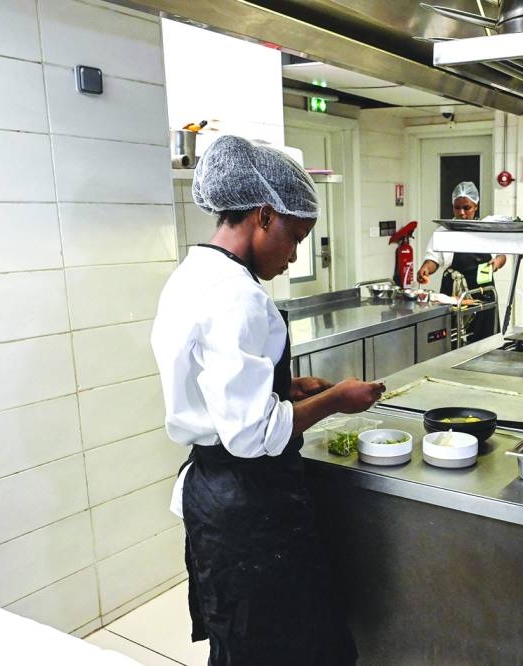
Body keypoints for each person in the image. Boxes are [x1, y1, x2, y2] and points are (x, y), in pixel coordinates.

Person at [150, 136, 384, 666]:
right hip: (250, 504)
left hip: (211, 496)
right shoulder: (241, 297)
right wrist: (336, 401)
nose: (294, 254)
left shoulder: (190, 276)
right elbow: (252, 435)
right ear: (262, 214)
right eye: (294, 236)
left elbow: (215, 387)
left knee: (239, 642)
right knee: (294, 648)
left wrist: (285, 391)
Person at [416, 181, 506, 342]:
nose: (462, 213)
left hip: (482, 293)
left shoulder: (486, 229)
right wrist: (425, 269)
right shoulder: (444, 231)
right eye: (457, 208)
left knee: (483, 339)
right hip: (453, 293)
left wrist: (497, 262)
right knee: (454, 338)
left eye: (467, 208)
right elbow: (433, 259)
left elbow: (502, 255)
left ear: (476, 206)